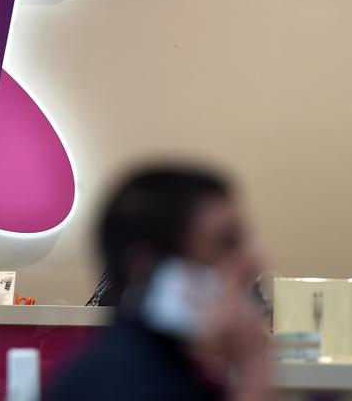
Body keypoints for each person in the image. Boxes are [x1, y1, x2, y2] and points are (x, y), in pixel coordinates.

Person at [46, 165, 268, 401]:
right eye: (226, 243)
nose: (251, 263)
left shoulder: (174, 369)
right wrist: (254, 371)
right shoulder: (119, 381)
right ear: (146, 269)